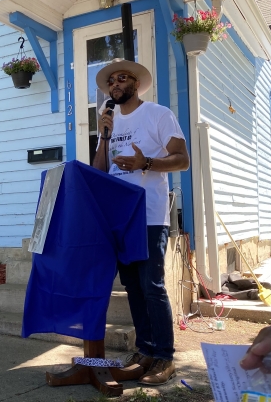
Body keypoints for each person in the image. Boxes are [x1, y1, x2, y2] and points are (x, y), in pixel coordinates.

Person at [93, 58, 190, 386]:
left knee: (151, 286)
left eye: (123, 78)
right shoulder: (108, 122)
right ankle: (145, 351)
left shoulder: (158, 114)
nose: (116, 84)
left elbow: (183, 159)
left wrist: (145, 162)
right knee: (133, 286)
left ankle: (164, 356)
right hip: (120, 217)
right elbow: (99, 171)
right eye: (112, 81)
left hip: (149, 214)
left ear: (136, 84)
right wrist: (104, 137)